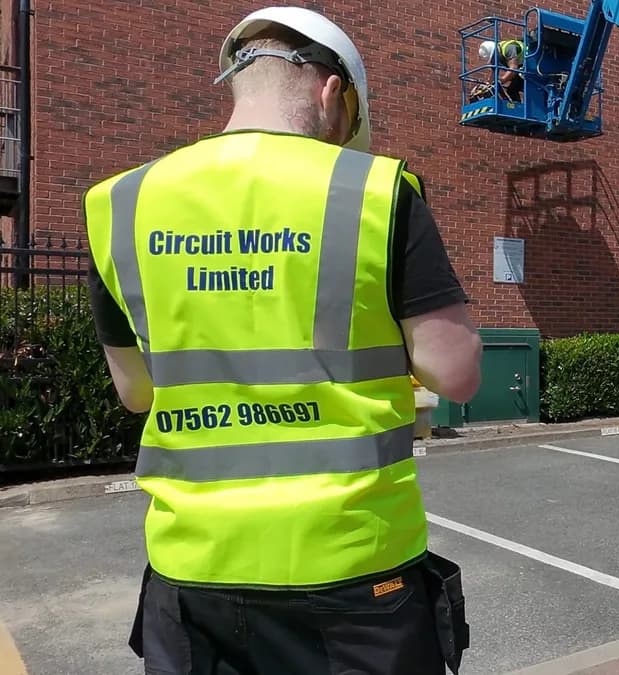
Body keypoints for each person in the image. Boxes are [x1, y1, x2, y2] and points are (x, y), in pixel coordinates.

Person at [82, 5, 482, 674]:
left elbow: (134, 391)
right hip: (354, 570)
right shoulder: (376, 192)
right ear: (332, 95)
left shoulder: (120, 204)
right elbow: (457, 372)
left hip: (193, 571)